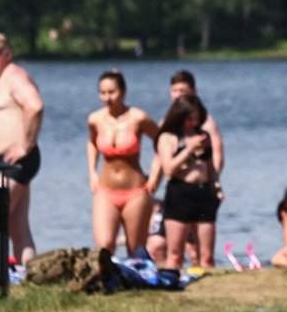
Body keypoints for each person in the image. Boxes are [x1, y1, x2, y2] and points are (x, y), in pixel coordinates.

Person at [0, 32, 44, 262]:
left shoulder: (14, 76)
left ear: (7, 54)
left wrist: (26, 145)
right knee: (18, 225)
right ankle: (29, 276)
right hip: (1, 162)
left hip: (17, 160)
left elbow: (35, 106)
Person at [85, 70, 160, 256]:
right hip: (106, 190)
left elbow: (162, 142)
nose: (107, 98)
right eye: (102, 93)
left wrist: (155, 177)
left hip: (135, 191)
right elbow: (92, 143)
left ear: (123, 92)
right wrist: (92, 173)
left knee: (135, 248)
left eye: (112, 92)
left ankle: (137, 281)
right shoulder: (95, 119)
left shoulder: (138, 118)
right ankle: (107, 282)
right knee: (105, 245)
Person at [154, 92, 221, 271]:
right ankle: (172, 280)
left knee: (206, 255)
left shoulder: (203, 136)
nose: (193, 123)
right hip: (180, 193)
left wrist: (216, 186)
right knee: (175, 253)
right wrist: (189, 150)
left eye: (196, 119)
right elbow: (169, 169)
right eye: (189, 119)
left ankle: (208, 285)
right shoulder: (167, 138)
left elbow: (210, 166)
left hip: (203, 191)